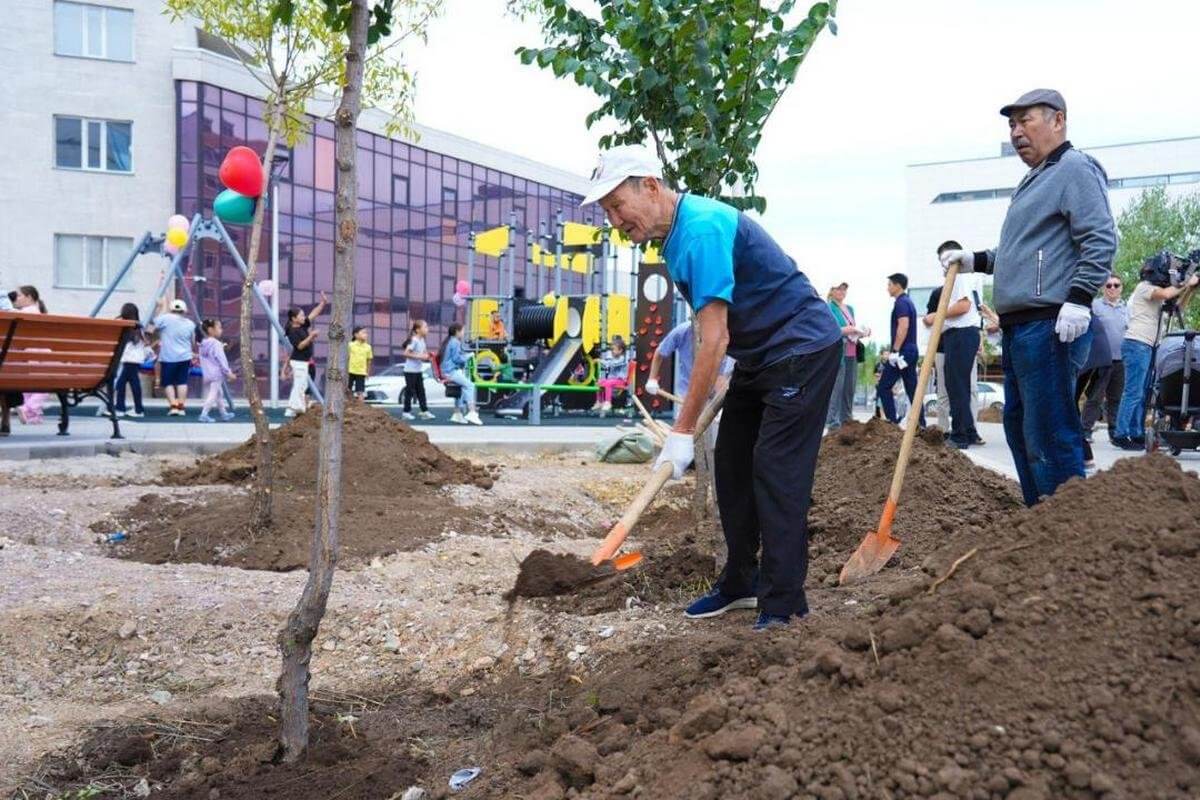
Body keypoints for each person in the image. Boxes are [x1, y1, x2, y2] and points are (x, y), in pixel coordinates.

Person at [585, 144, 842, 631]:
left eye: (618, 206)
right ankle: (741, 582)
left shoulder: (701, 228)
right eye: (608, 212)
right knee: (731, 463)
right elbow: (716, 330)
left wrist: (681, 431)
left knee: (775, 470)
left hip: (800, 348)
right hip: (760, 353)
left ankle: (784, 603)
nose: (616, 221)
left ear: (651, 187)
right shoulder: (676, 237)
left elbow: (714, 337)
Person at [939, 89, 1116, 505]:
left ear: (1058, 120)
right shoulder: (1035, 180)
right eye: (1011, 125)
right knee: (1020, 426)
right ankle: (1040, 518)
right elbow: (1017, 254)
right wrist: (975, 260)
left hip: (1049, 322)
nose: (1016, 132)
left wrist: (1078, 297)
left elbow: (1100, 237)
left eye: (1025, 121)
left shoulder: (1074, 168)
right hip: (1020, 326)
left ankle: (1064, 522)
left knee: (1048, 429)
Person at [1113, 254, 1198, 450]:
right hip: (1137, 343)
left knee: (1143, 392)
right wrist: (1187, 280)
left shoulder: (1157, 292)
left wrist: (1190, 289)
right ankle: (1120, 433)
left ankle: (1136, 433)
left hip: (1149, 345)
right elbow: (1168, 294)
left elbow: (1177, 306)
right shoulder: (1144, 288)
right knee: (1133, 391)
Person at [934, 240, 983, 450]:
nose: (943, 265)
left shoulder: (959, 273)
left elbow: (964, 305)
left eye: (945, 259)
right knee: (958, 384)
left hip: (962, 333)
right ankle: (969, 431)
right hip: (960, 334)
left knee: (956, 386)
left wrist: (937, 315)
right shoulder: (960, 275)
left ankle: (960, 435)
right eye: (941, 261)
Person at [644, 320, 735, 417]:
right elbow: (660, 352)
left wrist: (721, 400)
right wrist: (652, 379)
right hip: (686, 393)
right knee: (685, 429)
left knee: (714, 427)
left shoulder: (721, 335)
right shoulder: (682, 331)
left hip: (712, 393)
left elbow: (721, 374)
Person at [1085, 274, 1129, 443]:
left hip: (1121, 360)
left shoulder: (1126, 309)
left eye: (1116, 285)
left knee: (1116, 398)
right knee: (1095, 396)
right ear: (1103, 288)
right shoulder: (1095, 306)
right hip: (1101, 360)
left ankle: (1114, 431)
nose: (1112, 288)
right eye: (1108, 285)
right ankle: (1085, 429)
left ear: (1121, 288)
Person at [877, 273, 924, 427]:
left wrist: (895, 351)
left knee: (884, 386)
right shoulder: (908, 302)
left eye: (889, 284)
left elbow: (903, 326)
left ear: (897, 285)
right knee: (912, 389)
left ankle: (892, 421)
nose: (887, 288)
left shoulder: (901, 303)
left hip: (903, 352)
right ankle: (921, 425)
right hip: (911, 350)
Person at [825, 282, 867, 431]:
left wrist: (862, 332)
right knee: (837, 388)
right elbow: (832, 329)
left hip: (852, 351)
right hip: (838, 353)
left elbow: (852, 330)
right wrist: (849, 329)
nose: (842, 291)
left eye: (844, 289)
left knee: (849, 388)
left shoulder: (850, 309)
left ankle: (846, 421)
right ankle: (833, 424)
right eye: (839, 288)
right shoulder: (828, 307)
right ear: (832, 290)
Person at [151, 297, 199, 416]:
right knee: (182, 382)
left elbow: (153, 322)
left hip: (168, 357)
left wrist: (159, 307)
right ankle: (181, 407)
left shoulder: (165, 318)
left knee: (168, 383)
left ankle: (173, 406)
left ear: (171, 309)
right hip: (184, 356)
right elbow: (193, 341)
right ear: (184, 310)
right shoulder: (190, 324)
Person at [284, 291, 327, 417]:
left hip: (303, 361)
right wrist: (311, 336)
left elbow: (313, 314)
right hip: (298, 361)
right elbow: (300, 346)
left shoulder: (302, 326)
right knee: (300, 385)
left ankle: (292, 409)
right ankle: (295, 407)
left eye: (303, 315)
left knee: (301, 385)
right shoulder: (292, 331)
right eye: (301, 316)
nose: (304, 317)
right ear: (294, 318)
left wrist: (323, 303)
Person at [12, 286, 48, 425]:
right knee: (45, 384)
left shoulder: (19, 313)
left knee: (30, 384)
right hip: (39, 355)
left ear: (30, 297)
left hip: (23, 358)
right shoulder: (37, 312)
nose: (16, 298)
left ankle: (32, 413)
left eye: (19, 295)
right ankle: (30, 411)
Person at [438, 323, 482, 426]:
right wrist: (469, 355)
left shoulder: (449, 341)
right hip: (450, 372)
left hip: (446, 371)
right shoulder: (455, 342)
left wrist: (465, 356)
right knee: (470, 385)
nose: (463, 333)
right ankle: (472, 412)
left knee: (461, 387)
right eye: (462, 331)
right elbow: (457, 359)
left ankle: (457, 413)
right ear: (457, 332)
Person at [113, 303, 148, 418]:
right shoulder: (139, 326)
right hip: (136, 359)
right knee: (131, 383)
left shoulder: (125, 326)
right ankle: (136, 408)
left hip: (128, 359)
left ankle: (123, 408)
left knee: (122, 383)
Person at [197, 319, 235, 422]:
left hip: (207, 373)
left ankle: (224, 414)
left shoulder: (202, 344)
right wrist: (229, 373)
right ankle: (204, 414)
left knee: (219, 393)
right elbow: (221, 360)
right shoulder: (216, 344)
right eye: (219, 327)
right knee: (213, 394)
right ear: (210, 330)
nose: (221, 330)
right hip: (216, 374)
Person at [923, 285, 950, 427]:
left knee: (967, 389)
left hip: (961, 345)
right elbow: (929, 318)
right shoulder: (938, 293)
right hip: (941, 346)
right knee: (943, 389)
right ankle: (943, 427)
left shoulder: (967, 291)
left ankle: (968, 429)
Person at [401, 320, 435, 421]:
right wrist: (420, 356)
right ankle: (406, 412)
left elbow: (423, 353)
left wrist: (428, 356)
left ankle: (424, 411)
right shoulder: (414, 340)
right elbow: (406, 353)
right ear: (417, 330)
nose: (427, 329)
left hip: (418, 370)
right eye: (425, 327)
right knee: (409, 391)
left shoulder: (422, 340)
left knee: (421, 391)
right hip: (410, 371)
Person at [594, 335, 630, 416]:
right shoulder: (615, 358)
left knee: (608, 383)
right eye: (611, 350)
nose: (612, 351)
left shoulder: (622, 358)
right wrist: (601, 362)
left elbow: (612, 364)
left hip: (621, 381)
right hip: (613, 380)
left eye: (614, 350)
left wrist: (601, 361)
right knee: (599, 382)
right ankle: (599, 401)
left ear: (620, 350)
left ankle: (608, 402)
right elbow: (609, 364)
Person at [347, 326, 373, 401]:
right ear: (356, 335)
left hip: (361, 372)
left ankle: (361, 408)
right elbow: (347, 358)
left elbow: (369, 361)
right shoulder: (350, 345)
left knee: (360, 391)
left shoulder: (368, 347)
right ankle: (348, 404)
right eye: (363, 333)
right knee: (348, 390)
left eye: (366, 333)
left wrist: (367, 372)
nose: (366, 335)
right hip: (350, 371)